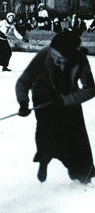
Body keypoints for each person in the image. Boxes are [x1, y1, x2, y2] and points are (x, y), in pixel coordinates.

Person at [16, 32, 95, 184]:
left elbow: (90, 89)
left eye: (60, 58)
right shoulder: (45, 54)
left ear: (70, 56)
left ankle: (82, 172)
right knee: (47, 131)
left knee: (77, 135)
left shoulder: (80, 60)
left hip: (68, 98)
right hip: (43, 96)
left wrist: (67, 100)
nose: (55, 59)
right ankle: (43, 161)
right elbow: (23, 82)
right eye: (54, 55)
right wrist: (23, 102)